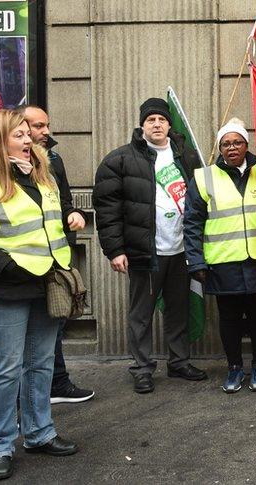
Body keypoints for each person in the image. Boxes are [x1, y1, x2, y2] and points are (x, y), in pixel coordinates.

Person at [0, 110, 80, 480]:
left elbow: (53, 219)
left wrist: (72, 222)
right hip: (2, 287)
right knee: (4, 370)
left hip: (44, 282)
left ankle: (39, 434)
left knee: (39, 365)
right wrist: (6, 265)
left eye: (28, 134)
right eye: (19, 134)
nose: (28, 140)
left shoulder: (41, 172)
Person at [93, 98, 207, 394]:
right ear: (142, 125)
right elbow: (107, 210)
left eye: (161, 119)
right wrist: (115, 250)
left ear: (170, 125)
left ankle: (179, 361)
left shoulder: (187, 157)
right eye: (150, 120)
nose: (156, 124)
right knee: (140, 314)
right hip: (145, 251)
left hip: (182, 249)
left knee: (179, 309)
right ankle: (142, 368)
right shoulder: (119, 160)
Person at [184, 118, 256, 393]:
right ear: (219, 148)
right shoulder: (204, 176)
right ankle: (234, 368)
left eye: (237, 142)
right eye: (225, 144)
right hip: (223, 262)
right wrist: (196, 261)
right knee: (230, 319)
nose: (231, 148)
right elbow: (192, 223)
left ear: (247, 145)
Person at [21, 106, 96, 403]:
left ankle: (58, 383)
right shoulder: (5, 165)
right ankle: (20, 404)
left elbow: (64, 200)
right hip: (21, 263)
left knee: (55, 320)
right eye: (38, 126)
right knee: (24, 340)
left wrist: (73, 214)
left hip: (56, 258)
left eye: (46, 125)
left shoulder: (54, 159)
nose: (45, 132)